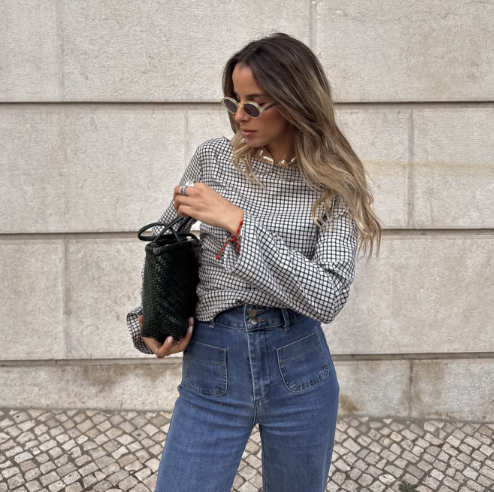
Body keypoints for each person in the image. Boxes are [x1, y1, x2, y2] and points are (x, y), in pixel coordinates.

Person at [126, 32, 381, 492]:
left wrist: (238, 223)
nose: (239, 116)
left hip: (299, 370)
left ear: (296, 102)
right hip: (213, 364)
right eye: (234, 102)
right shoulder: (212, 160)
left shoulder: (333, 185)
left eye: (254, 105)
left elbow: (328, 296)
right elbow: (165, 245)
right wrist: (151, 320)